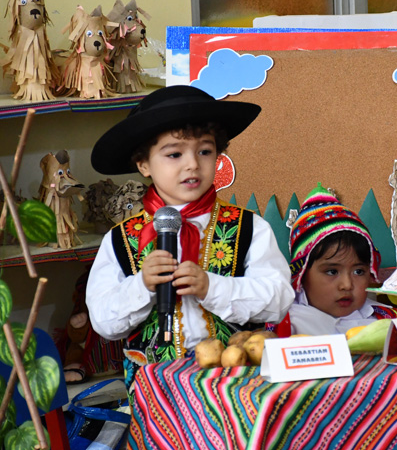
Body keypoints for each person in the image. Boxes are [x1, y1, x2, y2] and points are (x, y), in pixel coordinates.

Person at [86, 85, 294, 389]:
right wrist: (142, 285)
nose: (193, 164)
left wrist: (212, 287)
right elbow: (104, 321)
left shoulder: (250, 227)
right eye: (174, 154)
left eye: (205, 151)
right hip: (155, 391)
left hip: (238, 387)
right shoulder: (120, 240)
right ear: (143, 164)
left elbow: (279, 299)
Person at [287, 183, 397, 335]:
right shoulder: (287, 326)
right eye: (332, 271)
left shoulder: (388, 320)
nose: (347, 285)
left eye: (358, 271)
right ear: (301, 275)